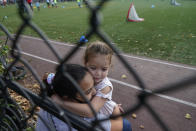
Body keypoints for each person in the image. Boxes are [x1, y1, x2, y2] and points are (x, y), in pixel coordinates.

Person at [36, 64, 128, 131]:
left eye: (94, 86)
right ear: (66, 97)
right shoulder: (86, 119)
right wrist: (115, 108)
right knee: (125, 124)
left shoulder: (49, 99)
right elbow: (118, 126)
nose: (95, 92)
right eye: (88, 91)